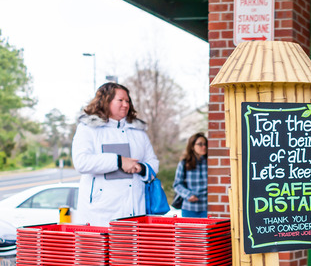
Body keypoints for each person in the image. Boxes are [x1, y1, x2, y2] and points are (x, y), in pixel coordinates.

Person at [72, 82, 159, 227]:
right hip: (100, 214)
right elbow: (81, 162)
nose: (125, 105)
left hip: (135, 210)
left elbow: (153, 162)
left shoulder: (138, 132)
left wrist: (141, 168)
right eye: (120, 100)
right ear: (106, 101)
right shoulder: (88, 129)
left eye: (128, 101)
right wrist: (118, 161)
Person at [173, 133, 209, 218]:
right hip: (189, 208)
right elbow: (177, 184)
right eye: (200, 144)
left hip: (207, 208)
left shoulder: (210, 162)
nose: (204, 147)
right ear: (192, 146)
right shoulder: (184, 163)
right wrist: (188, 195)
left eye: (205, 144)